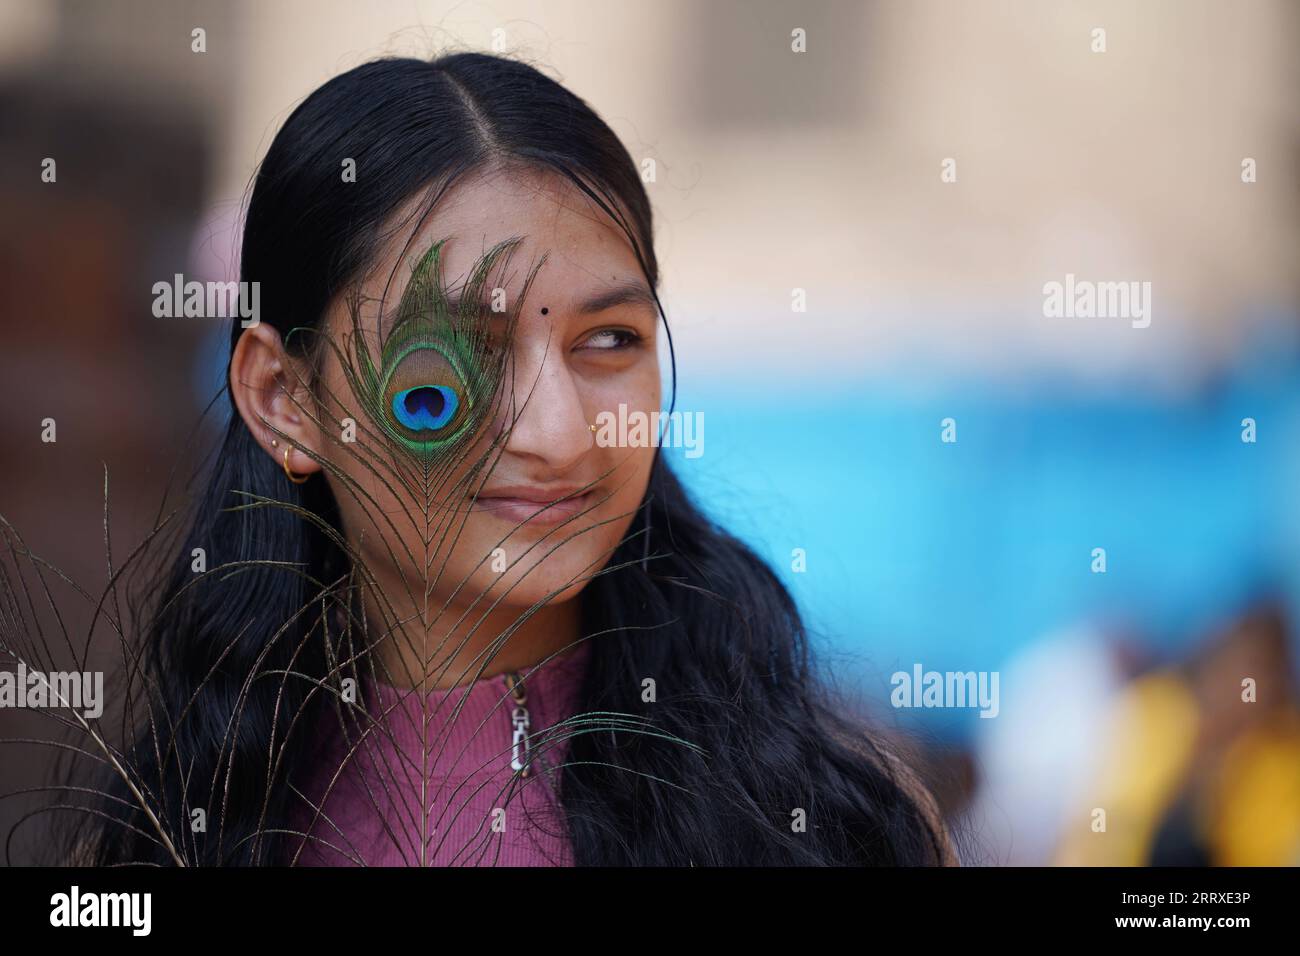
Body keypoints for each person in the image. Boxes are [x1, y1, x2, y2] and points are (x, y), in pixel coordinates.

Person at [67, 51, 956, 866]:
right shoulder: (179, 834)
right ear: (283, 400)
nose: (562, 433)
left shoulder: (819, 826)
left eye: (608, 340)